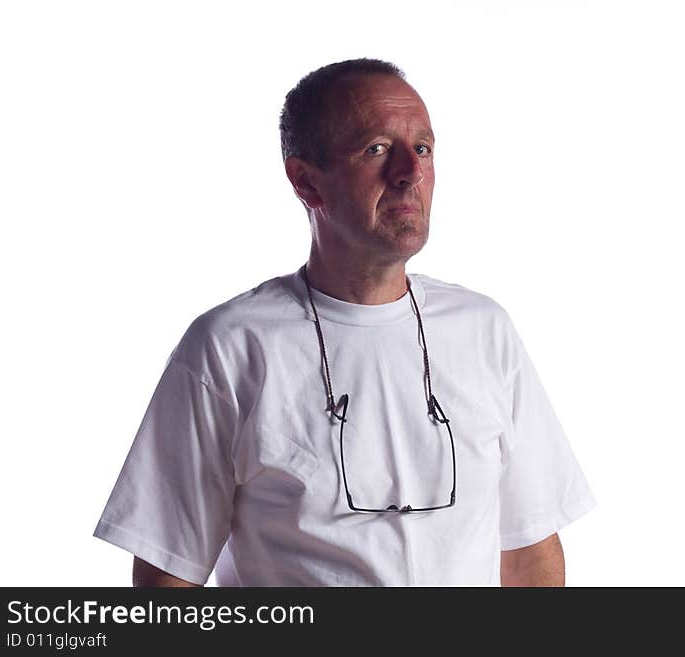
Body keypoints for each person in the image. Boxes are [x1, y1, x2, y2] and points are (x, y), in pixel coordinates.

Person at [94, 58, 596, 587]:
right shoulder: (231, 347)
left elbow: (529, 553)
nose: (409, 171)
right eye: (376, 149)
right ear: (307, 182)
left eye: (422, 148)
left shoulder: (483, 331)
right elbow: (167, 580)